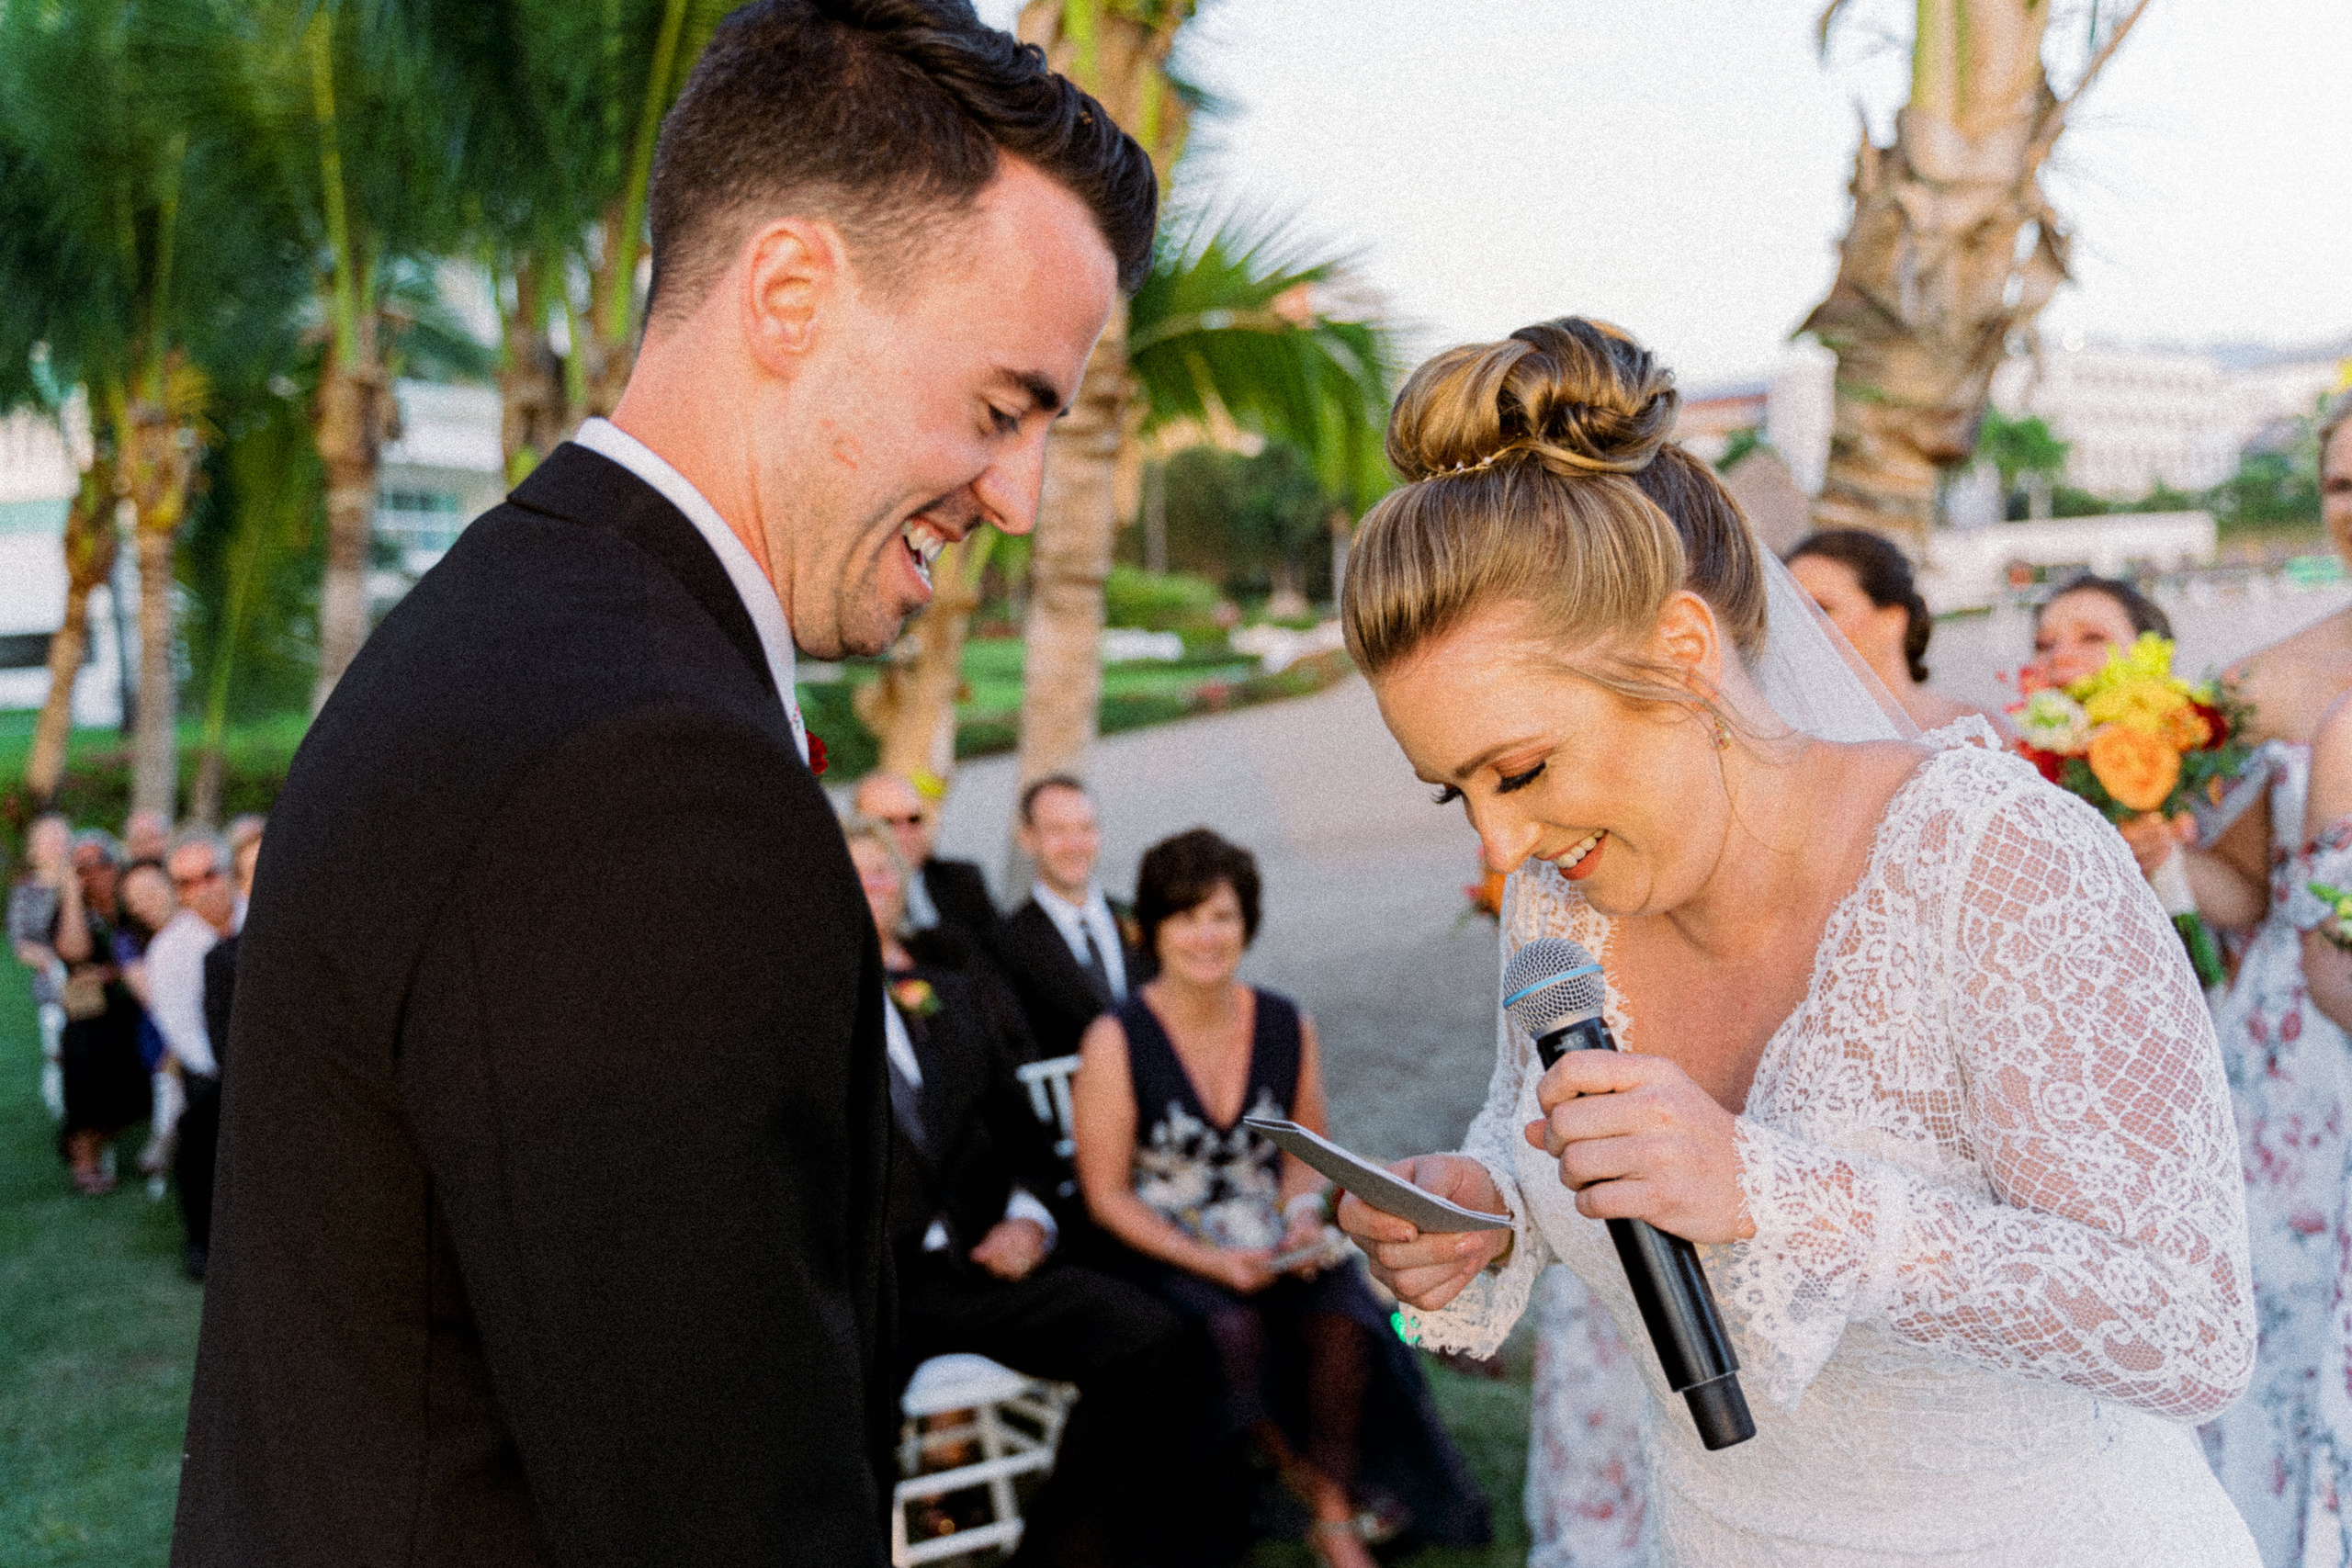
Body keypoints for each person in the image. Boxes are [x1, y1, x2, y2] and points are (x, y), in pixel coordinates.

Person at [171, 4, 1153, 1562]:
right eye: (1001, 405)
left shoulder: (519, 627)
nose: (1021, 499)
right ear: (788, 293)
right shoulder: (642, 769)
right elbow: (714, 1500)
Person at [1332, 317, 2256, 1564]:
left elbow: (2191, 1324)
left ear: (1683, 650)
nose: (1503, 849)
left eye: (1522, 767)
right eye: (1461, 791)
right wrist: (1485, 1204)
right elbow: (1546, 1131)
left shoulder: (1993, 858)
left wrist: (1774, 1191)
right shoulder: (1564, 906)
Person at [1072, 829, 1488, 1568]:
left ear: (1247, 922)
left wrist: (1300, 1215)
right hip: (1163, 1243)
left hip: (1272, 1233)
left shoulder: (1285, 1020)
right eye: (1186, 916)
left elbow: (1306, 1155)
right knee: (1230, 1329)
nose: (1207, 935)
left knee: (1344, 1314)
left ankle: (1327, 1502)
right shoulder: (1117, 1037)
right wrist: (1210, 1259)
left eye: (1223, 916)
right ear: (1154, 930)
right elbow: (1106, 1195)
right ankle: (1324, 1504)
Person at [842, 816, 1211, 1568]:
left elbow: (1027, 1139)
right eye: (847, 872)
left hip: (985, 1267)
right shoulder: (791, 1025)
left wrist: (1030, 1220)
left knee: (1154, 1340)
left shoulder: (946, 994)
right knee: (831, 1439)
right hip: (875, 1297)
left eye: (880, 869)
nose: (868, 885)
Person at [2193, 391, 2352, 1561]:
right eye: (2342, 486)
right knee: (2291, 1323)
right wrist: (2149, 851)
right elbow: (2243, 890)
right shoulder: (2261, 685)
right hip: (2295, 1057)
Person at [993, 776, 1146, 1061]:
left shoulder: (1142, 918)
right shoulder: (1005, 944)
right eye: (1057, 830)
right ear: (1028, 839)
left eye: (1085, 828)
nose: (1074, 844)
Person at [1786, 528, 1997, 732]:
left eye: (1822, 609)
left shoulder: (1980, 734)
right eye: (1788, 612)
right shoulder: (1783, 738)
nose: (1799, 627)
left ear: (1891, 620)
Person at [147, 832, 238, 1280]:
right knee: (200, 1124)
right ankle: (202, 1239)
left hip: (282, 1066)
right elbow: (185, 1037)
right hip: (215, 1071)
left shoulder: (264, 920)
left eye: (208, 876)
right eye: (185, 883)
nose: (200, 890)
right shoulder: (169, 951)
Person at [53, 830, 151, 1195]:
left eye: (97, 865)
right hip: (99, 1013)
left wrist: (113, 972)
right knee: (81, 1041)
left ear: (115, 864)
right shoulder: (72, 912)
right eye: (80, 869)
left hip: (145, 1005)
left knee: (107, 1042)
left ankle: (95, 1137)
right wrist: (72, 896)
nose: (91, 874)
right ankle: (85, 1154)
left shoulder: (136, 900)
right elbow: (75, 953)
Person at [853, 771, 997, 947]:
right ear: (861, 830)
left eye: (914, 819)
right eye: (888, 822)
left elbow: (1001, 951)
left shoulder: (961, 880)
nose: (905, 833)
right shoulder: (857, 893)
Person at [113, 857, 182, 1190]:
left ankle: (166, 1132)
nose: (145, 902)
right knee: (175, 1052)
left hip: (198, 1024)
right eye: (134, 896)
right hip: (162, 1028)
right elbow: (154, 1000)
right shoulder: (127, 939)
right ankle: (166, 1131)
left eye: (151, 890)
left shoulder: (193, 923)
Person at [10, 813, 73, 1119]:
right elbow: (21, 945)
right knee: (58, 1047)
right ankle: (60, 1100)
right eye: (47, 839)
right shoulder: (25, 893)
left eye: (60, 837)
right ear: (34, 849)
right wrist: (55, 962)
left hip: (92, 981)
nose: (56, 845)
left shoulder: (83, 881)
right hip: (53, 983)